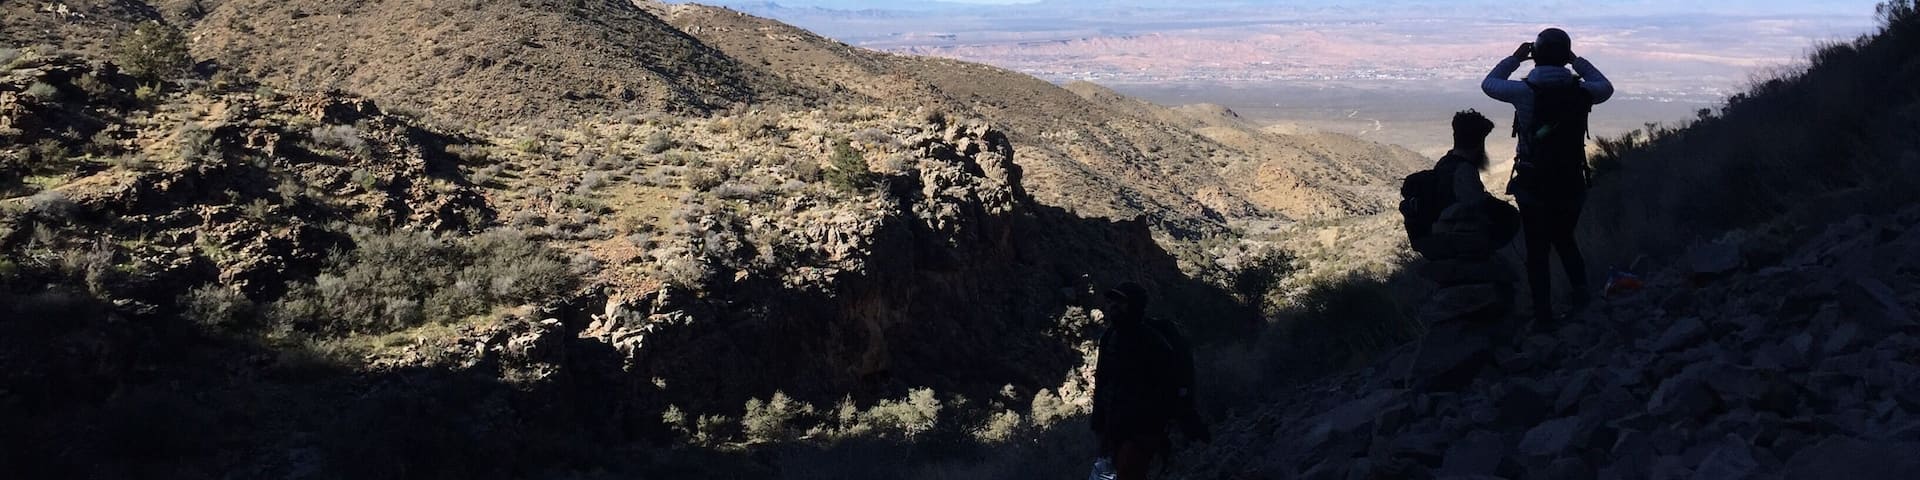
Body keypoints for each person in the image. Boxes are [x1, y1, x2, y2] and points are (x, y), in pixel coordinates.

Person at [1482, 28, 1614, 324]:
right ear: (1564, 57)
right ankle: (1582, 298)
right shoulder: (1582, 91)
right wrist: (1575, 60)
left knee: (1537, 249)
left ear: (1536, 56)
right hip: (1571, 179)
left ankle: (1543, 315)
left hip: (1533, 181)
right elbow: (1606, 86)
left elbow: (1489, 84)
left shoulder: (1524, 91)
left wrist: (1515, 59)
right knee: (1565, 239)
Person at [1089, 282, 1209, 479]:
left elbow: (1172, 381)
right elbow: (1102, 380)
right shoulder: (1109, 338)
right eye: (1111, 301)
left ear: (1135, 305)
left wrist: (1184, 417)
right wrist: (1098, 419)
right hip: (1114, 428)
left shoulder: (1152, 341)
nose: (1113, 305)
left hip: (1143, 428)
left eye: (1120, 301)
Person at [1401, 109, 1519, 261]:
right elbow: (1474, 206)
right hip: (1455, 241)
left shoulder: (1444, 163)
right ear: (1479, 144)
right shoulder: (1464, 171)